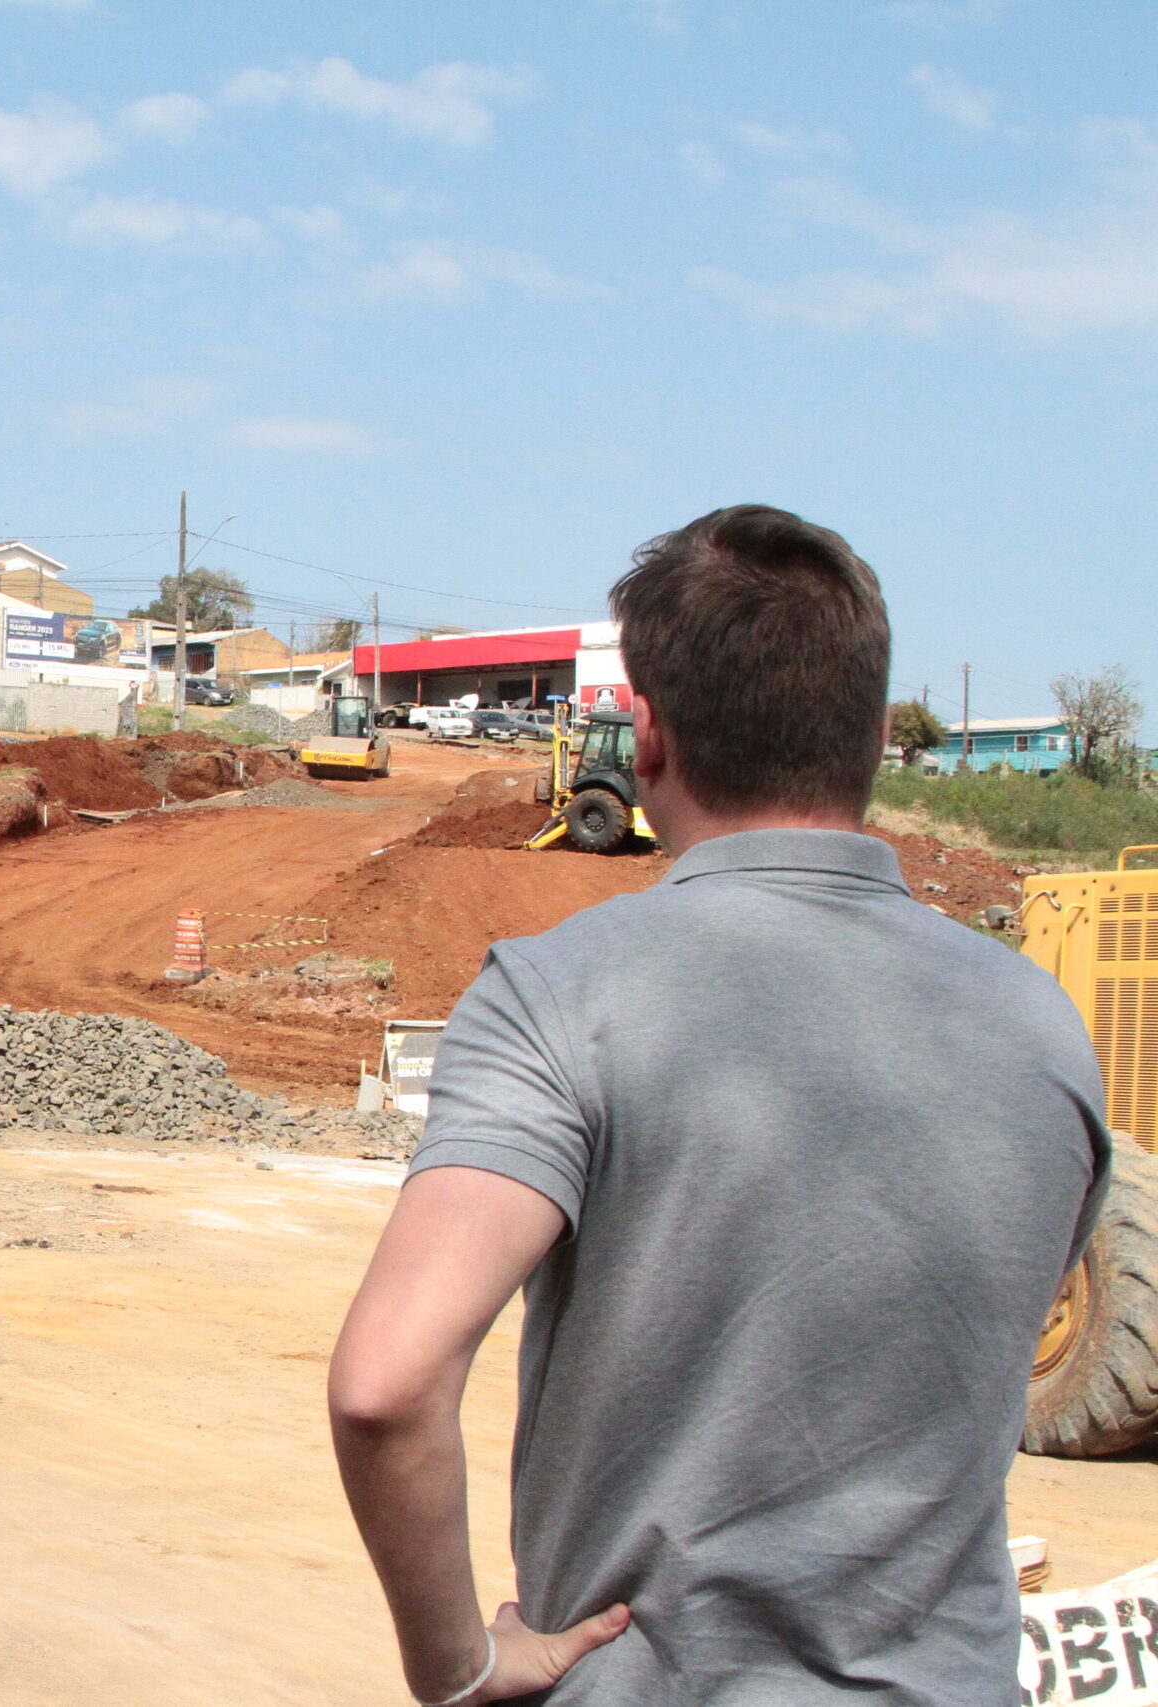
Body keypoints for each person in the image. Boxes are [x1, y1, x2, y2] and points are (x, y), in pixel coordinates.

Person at [328, 505, 1109, 1705]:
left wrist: (457, 1666)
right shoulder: (1041, 1027)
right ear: (867, 733)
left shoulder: (559, 996)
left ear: (644, 735)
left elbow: (384, 1389)